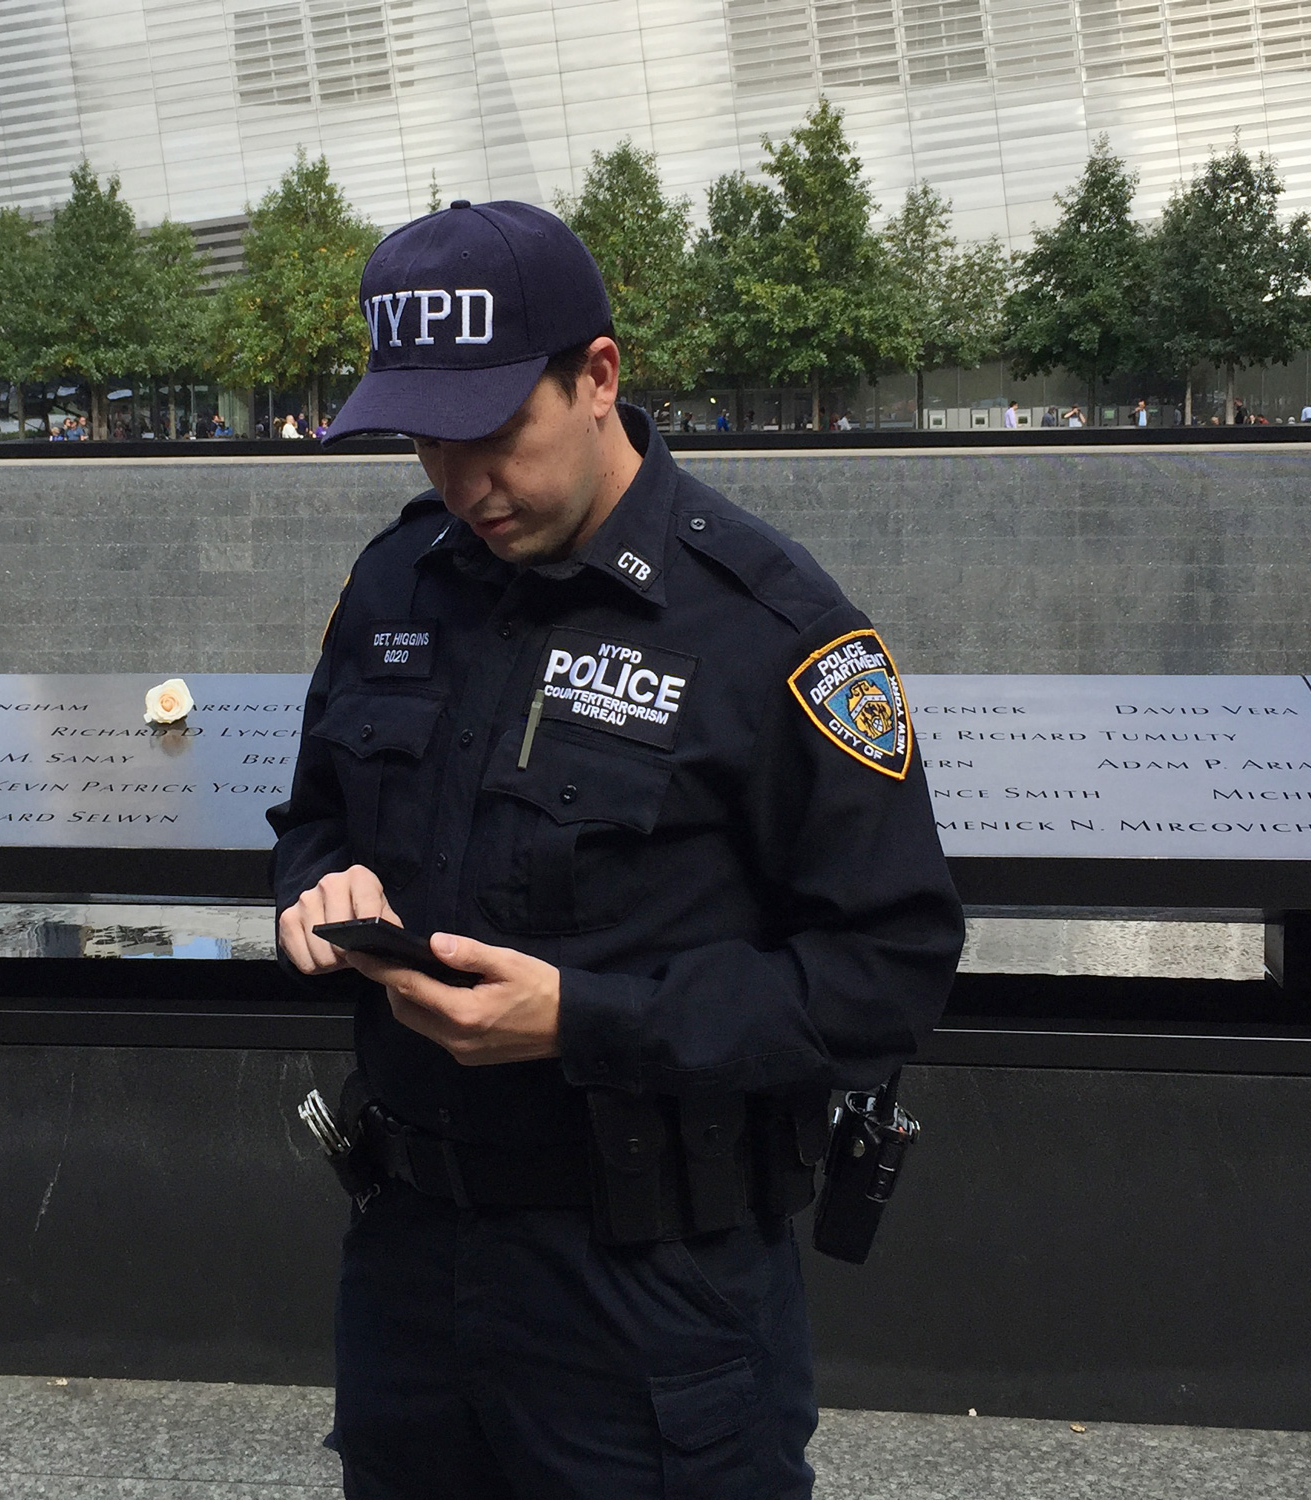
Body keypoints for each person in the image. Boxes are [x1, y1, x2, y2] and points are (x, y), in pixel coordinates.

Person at [271, 199, 962, 1500]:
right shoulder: (397, 584)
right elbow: (311, 813)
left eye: (489, 433)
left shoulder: (775, 633)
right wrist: (317, 887)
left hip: (655, 1297)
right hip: (414, 1271)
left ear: (599, 376)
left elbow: (890, 968)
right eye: (425, 436)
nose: (459, 478)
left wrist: (584, 1022)